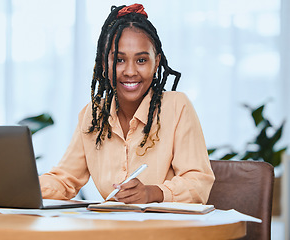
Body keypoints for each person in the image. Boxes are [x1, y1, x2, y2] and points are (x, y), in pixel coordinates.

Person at [40, 4, 215, 204]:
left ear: (156, 62)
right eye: (120, 60)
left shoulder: (177, 106)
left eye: (141, 60)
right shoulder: (94, 114)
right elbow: (64, 181)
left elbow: (199, 183)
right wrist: (24, 187)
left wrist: (153, 193)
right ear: (105, 64)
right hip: (113, 229)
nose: (130, 71)